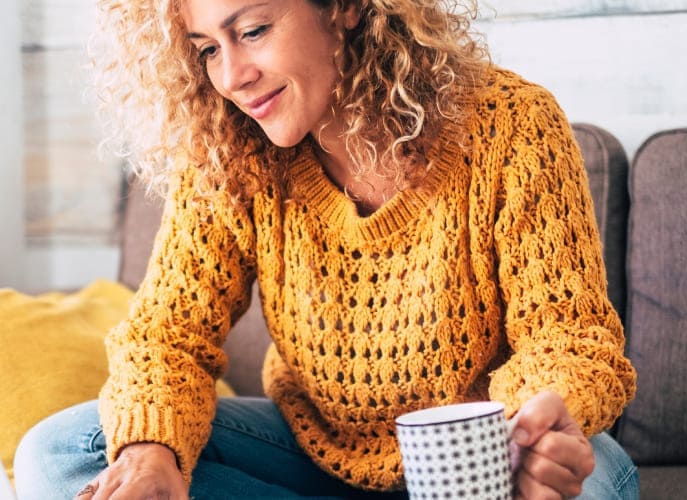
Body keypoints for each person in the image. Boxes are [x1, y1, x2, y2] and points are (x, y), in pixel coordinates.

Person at [14, 0, 639, 498]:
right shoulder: (232, 155)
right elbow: (166, 336)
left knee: (593, 482)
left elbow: (571, 341)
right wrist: (152, 451)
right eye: (207, 48)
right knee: (63, 452)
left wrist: (528, 435)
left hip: (481, 460)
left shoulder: (511, 125)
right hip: (310, 459)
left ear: (341, 6)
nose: (231, 76)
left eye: (253, 30)